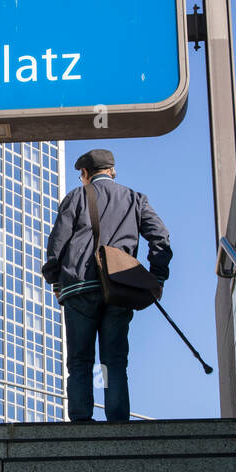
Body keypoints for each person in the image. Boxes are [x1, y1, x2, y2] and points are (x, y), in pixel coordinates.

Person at [41, 149, 172, 422]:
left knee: (80, 360)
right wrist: (156, 277)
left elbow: (57, 244)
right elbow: (160, 237)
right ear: (112, 171)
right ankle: (117, 420)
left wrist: (55, 281)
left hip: (79, 287)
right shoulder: (136, 199)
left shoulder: (77, 197)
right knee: (112, 362)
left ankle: (81, 420)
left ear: (85, 174)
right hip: (119, 288)